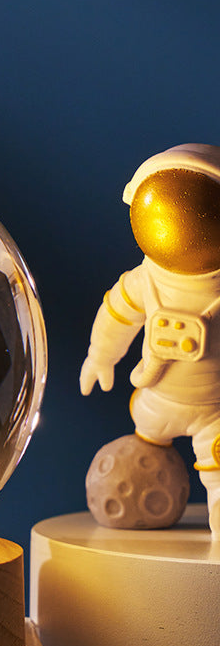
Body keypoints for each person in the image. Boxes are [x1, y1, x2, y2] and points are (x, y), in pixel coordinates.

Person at [80, 144, 220, 534]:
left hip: (215, 409)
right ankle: (131, 488)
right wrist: (101, 355)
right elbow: (116, 316)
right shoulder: (146, 281)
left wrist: (101, 356)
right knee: (144, 448)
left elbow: (116, 314)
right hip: (156, 399)